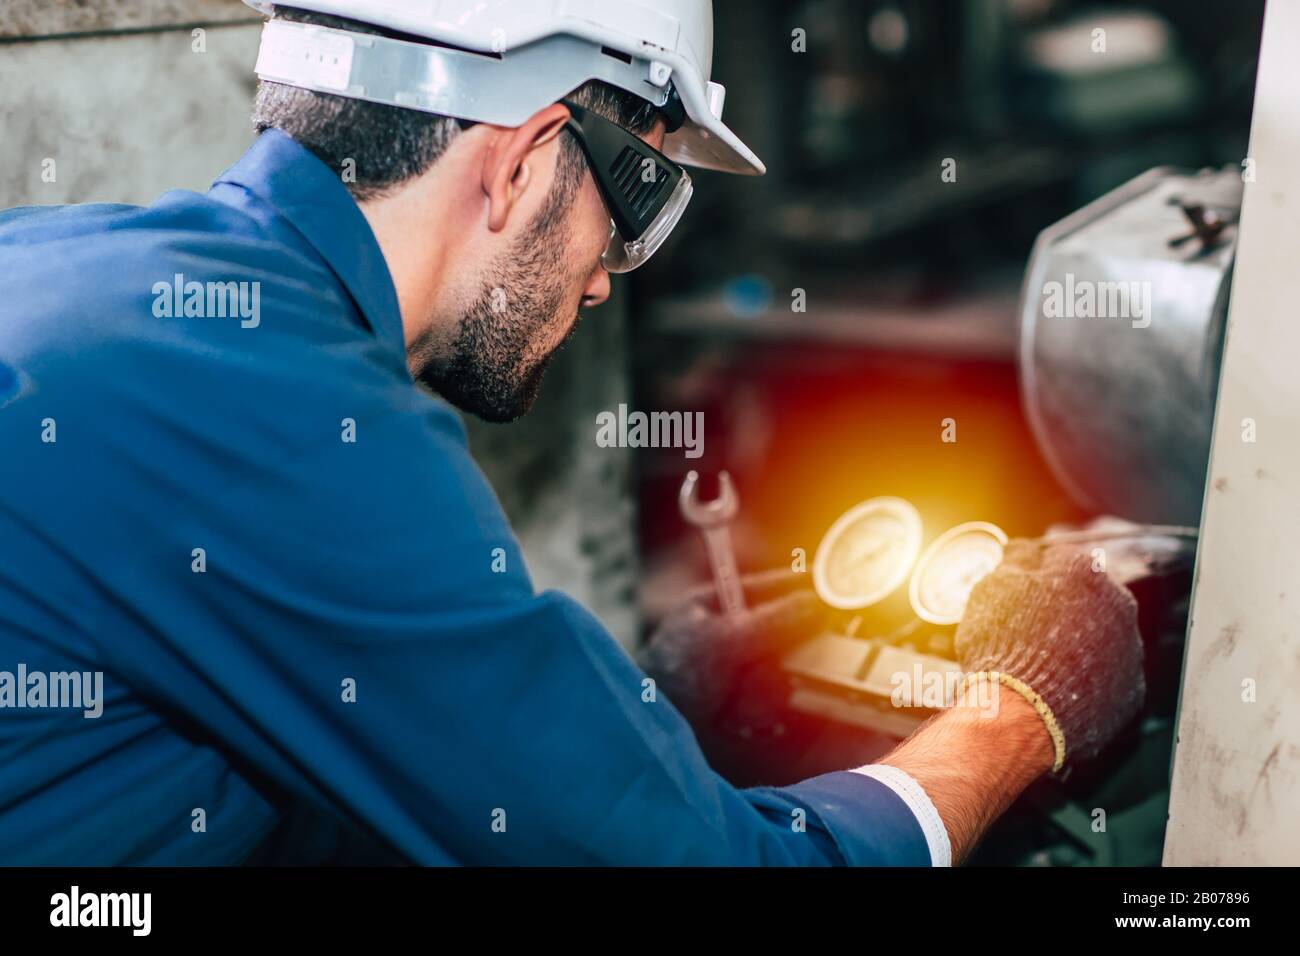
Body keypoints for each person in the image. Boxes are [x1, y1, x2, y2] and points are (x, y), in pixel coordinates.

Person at [0, 0, 1144, 865]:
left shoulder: (72, 263)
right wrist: (1019, 708)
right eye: (635, 200)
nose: (606, 278)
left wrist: (614, 721)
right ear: (524, 158)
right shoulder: (282, 416)